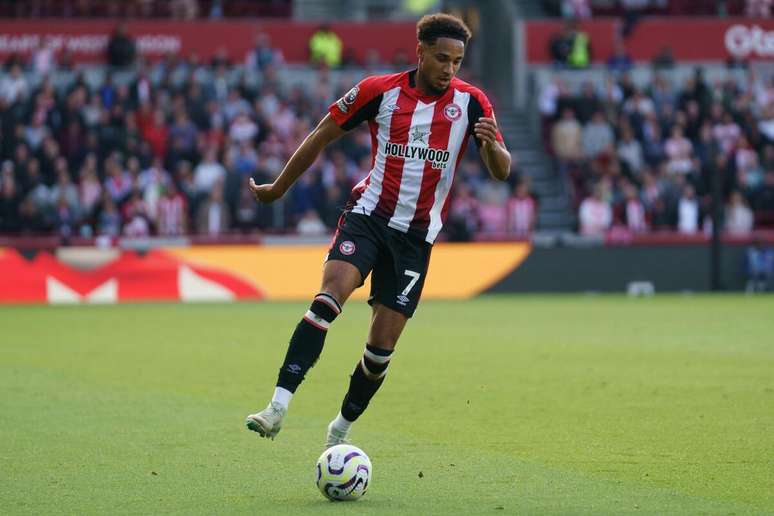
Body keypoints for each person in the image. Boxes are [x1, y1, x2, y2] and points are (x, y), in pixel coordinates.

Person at [245, 13, 511, 447]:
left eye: (457, 62)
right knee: (328, 300)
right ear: (421, 51)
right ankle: (276, 407)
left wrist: (494, 145)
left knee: (380, 349)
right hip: (368, 216)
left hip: (415, 238)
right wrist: (278, 188)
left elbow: (501, 170)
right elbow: (321, 134)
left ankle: (340, 431)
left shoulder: (473, 104)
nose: (448, 69)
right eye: (441, 58)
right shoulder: (379, 90)